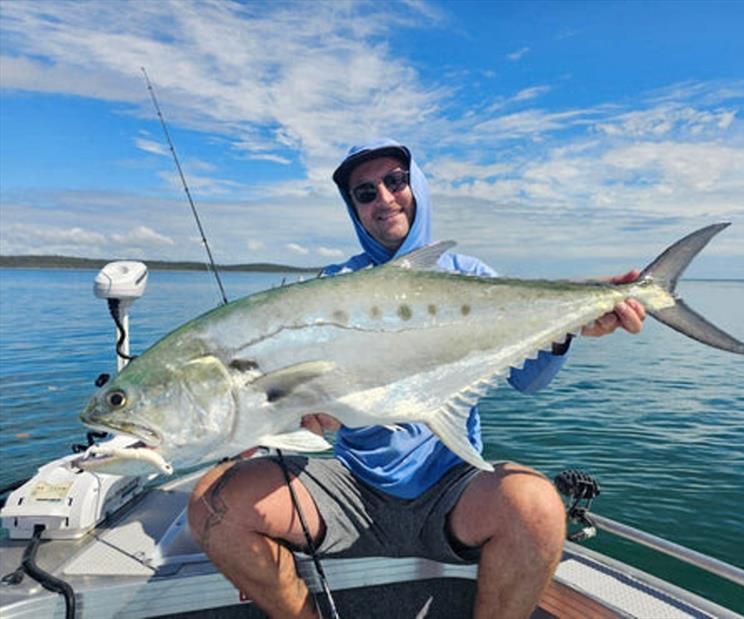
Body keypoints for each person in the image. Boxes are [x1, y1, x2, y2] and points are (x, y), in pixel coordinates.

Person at [187, 139, 646, 618]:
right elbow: (308, 408)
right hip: (349, 484)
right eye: (364, 193)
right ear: (354, 210)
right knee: (212, 506)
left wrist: (570, 324)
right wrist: (293, 418)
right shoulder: (330, 287)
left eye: (395, 181)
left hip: (451, 487)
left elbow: (529, 382)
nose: (383, 198)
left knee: (538, 507)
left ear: (417, 186)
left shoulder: (471, 277)